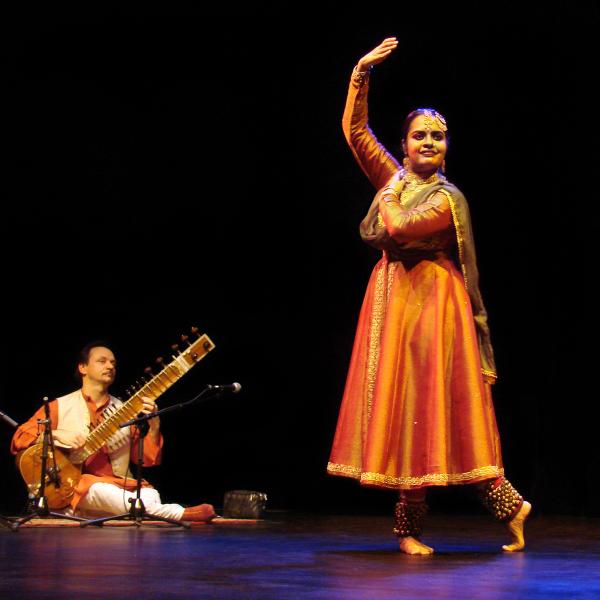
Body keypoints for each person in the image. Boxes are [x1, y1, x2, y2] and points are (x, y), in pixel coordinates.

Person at [327, 37, 531, 554]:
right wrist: (360, 74)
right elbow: (355, 133)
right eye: (419, 135)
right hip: (394, 304)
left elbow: (396, 226)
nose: (428, 143)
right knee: (403, 412)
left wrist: (389, 190)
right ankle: (426, 526)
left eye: (438, 137)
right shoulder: (395, 175)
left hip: (433, 307)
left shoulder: (445, 198)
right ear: (405, 142)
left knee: (433, 408)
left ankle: (500, 507)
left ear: (447, 147)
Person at [11, 341, 216, 522]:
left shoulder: (124, 410)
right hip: (78, 487)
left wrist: (153, 424)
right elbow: (19, 437)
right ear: (82, 367)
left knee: (149, 496)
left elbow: (147, 460)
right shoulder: (60, 406)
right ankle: (178, 514)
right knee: (94, 489)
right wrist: (54, 434)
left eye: (113, 363)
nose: (110, 366)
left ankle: (131, 510)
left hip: (119, 487)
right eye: (102, 361)